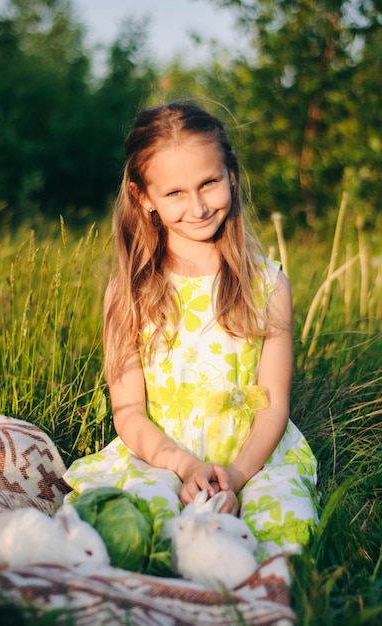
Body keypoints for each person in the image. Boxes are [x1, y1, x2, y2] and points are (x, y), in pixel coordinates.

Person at [64, 101, 319, 563]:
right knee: (144, 524)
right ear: (144, 197)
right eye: (175, 193)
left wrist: (237, 477)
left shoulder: (267, 284)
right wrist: (184, 467)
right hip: (162, 454)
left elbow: (274, 402)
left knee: (278, 531)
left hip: (254, 456)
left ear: (231, 176)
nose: (198, 207)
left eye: (209, 183)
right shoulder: (131, 291)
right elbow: (129, 412)